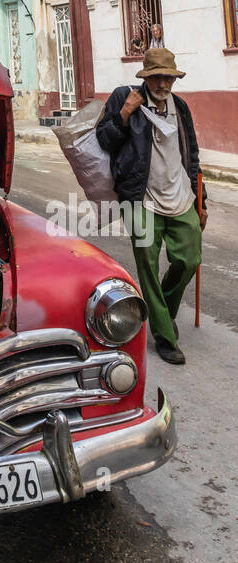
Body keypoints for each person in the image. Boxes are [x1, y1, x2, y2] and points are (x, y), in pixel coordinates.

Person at [96, 48, 207, 367]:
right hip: (141, 200)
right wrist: (125, 114)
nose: (162, 82)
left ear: (174, 78)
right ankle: (164, 337)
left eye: (168, 76)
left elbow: (192, 154)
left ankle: (162, 312)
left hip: (181, 197)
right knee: (146, 264)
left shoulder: (180, 107)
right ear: (145, 77)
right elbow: (105, 141)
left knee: (188, 260)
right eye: (156, 76)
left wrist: (202, 198)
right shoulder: (124, 98)